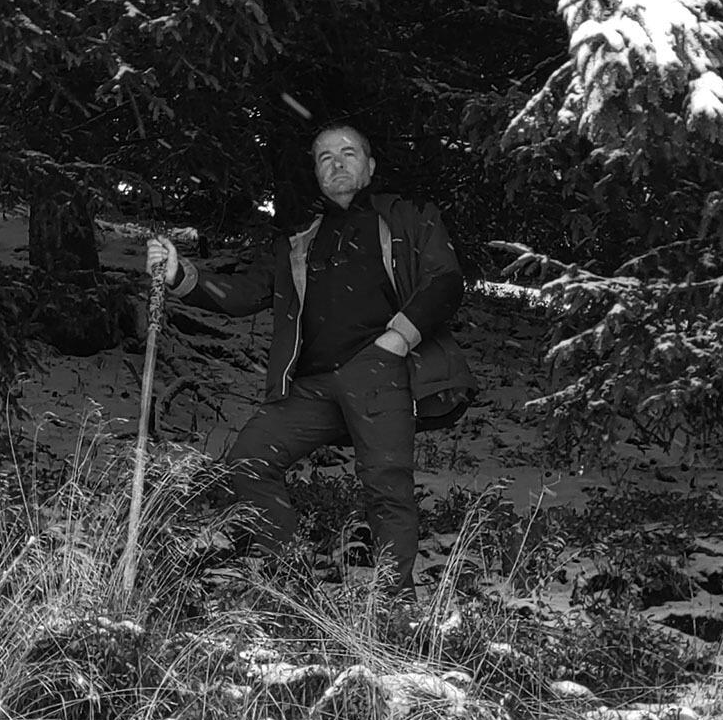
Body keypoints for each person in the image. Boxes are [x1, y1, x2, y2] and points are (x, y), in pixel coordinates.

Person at [146, 122, 476, 595]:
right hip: (310, 384)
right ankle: (293, 579)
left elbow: (445, 280)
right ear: (317, 174)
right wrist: (181, 275)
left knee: (386, 484)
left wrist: (398, 339)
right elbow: (243, 295)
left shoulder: (406, 217)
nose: (337, 164)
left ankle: (394, 602)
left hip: (378, 369)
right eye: (325, 157)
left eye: (348, 153)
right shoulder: (299, 240)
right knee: (247, 461)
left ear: (370, 167)